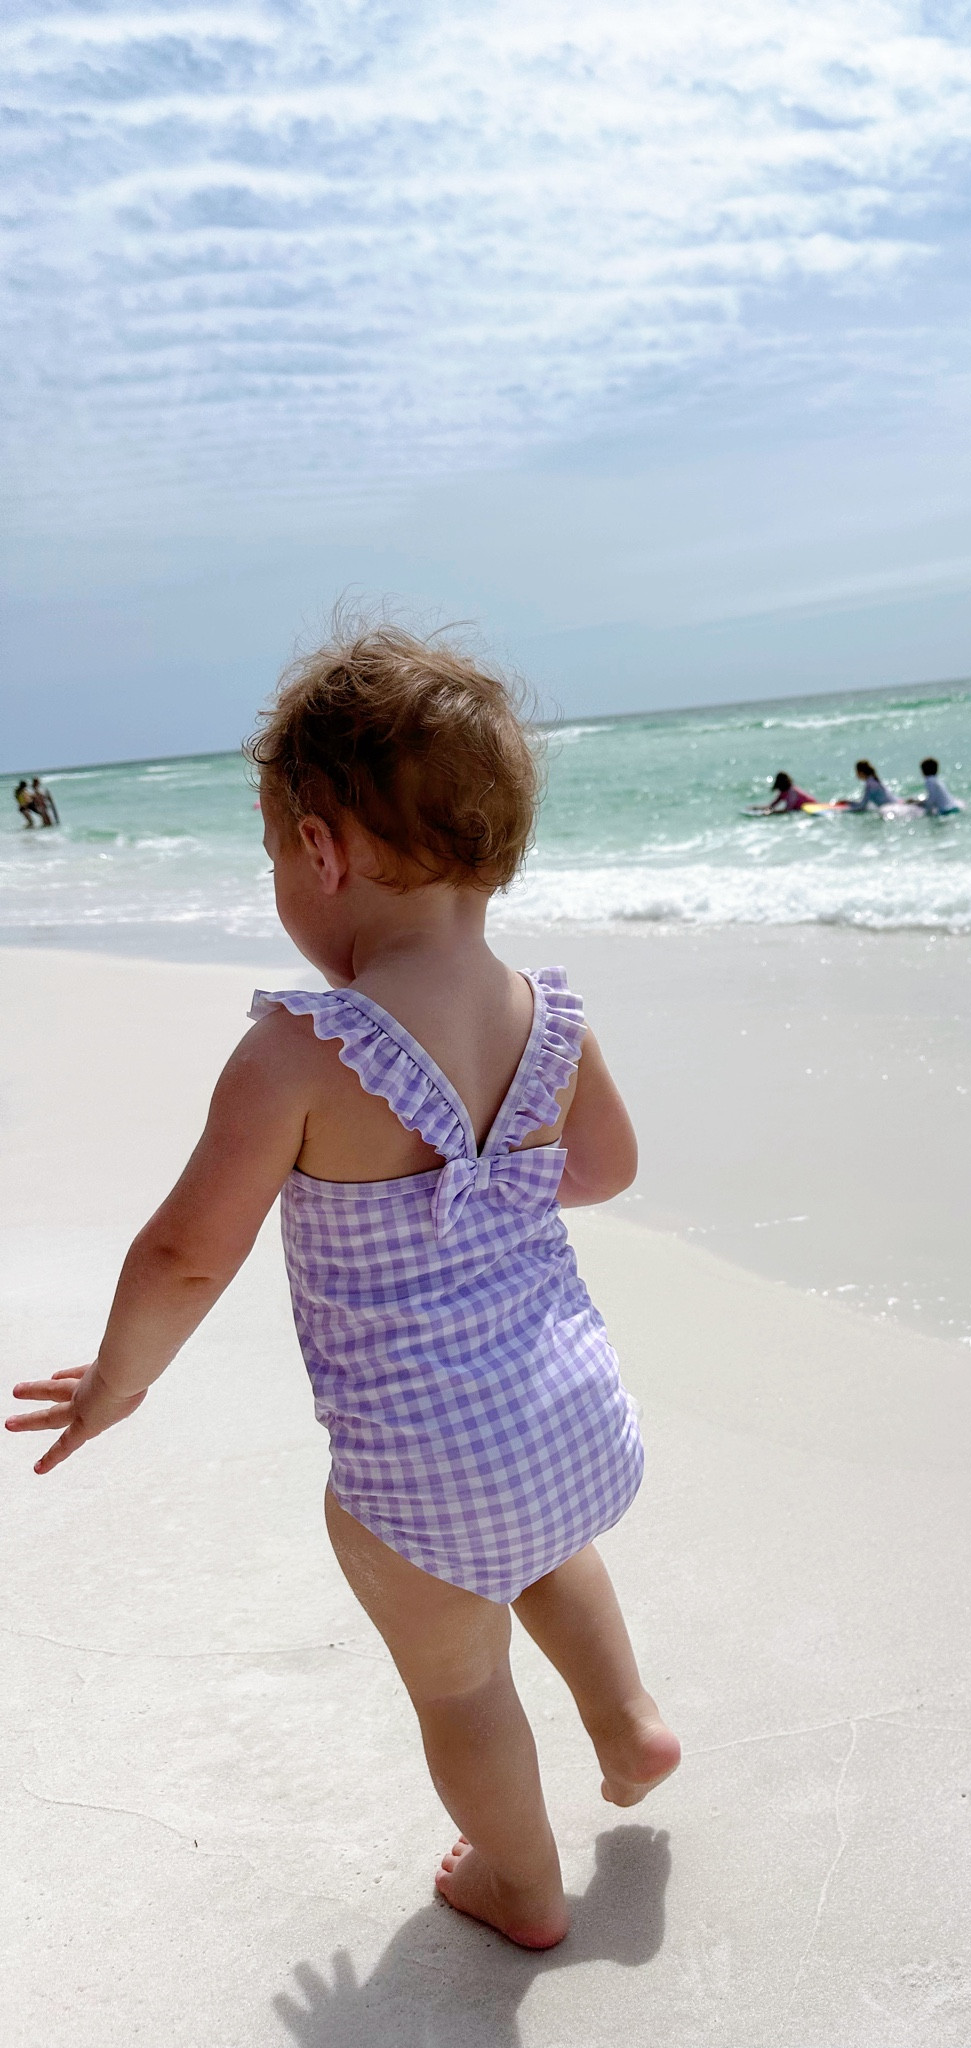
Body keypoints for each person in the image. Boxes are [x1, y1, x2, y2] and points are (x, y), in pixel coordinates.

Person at [6, 620, 680, 1951]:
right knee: (549, 1549)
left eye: (273, 855)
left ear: (321, 849)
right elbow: (604, 1169)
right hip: (570, 1410)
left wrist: (119, 1383)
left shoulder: (304, 1050)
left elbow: (188, 1251)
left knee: (461, 1688)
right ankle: (631, 1724)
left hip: (421, 1472)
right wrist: (491, 1191)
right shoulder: (552, 1015)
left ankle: (519, 1882)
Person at [752, 769, 818, 813]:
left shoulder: (792, 792)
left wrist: (772, 813)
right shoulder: (783, 793)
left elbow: (788, 810)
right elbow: (772, 806)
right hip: (801, 809)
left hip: (812, 806)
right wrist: (756, 808)